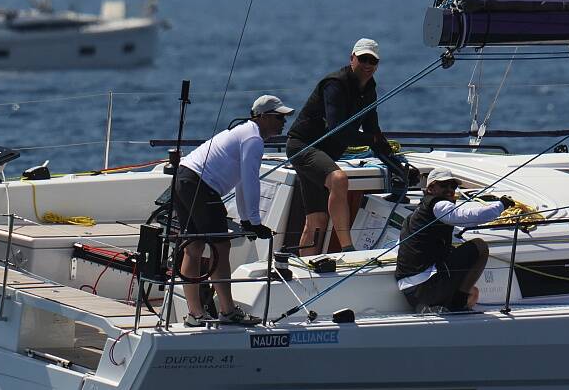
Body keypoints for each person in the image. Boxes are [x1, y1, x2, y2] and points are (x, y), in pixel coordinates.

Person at [174, 94, 294, 327]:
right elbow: (250, 181)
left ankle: (195, 315)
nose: (284, 123)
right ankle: (227, 312)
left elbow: (241, 182)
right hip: (201, 186)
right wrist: (255, 222)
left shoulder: (245, 132)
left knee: (194, 247)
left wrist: (247, 219)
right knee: (220, 246)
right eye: (279, 117)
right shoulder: (253, 139)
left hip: (184, 178)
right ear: (263, 117)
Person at [286, 38, 393, 256]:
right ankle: (347, 247)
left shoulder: (370, 91)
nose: (367, 64)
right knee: (339, 179)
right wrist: (370, 140)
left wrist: (393, 160)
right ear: (352, 58)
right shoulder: (335, 84)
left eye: (373, 61)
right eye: (363, 58)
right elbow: (338, 130)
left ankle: (306, 267)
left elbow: (373, 130)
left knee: (316, 220)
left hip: (324, 153)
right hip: (303, 146)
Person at [395, 169, 508, 312]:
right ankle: (457, 303)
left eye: (452, 187)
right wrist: (501, 205)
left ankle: (436, 304)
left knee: (473, 292)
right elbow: (465, 217)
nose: (449, 190)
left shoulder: (416, 214)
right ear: (431, 188)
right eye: (444, 185)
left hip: (409, 291)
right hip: (424, 287)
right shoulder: (438, 205)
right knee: (480, 246)